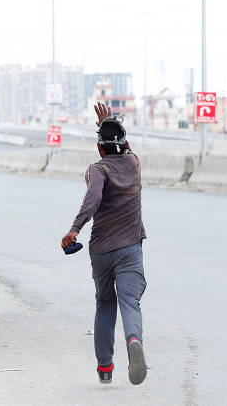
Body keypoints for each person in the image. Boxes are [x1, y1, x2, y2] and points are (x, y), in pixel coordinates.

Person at [60, 102, 148, 386]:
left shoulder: (97, 169)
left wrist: (74, 230)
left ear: (99, 148)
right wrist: (107, 123)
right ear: (123, 144)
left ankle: (105, 367)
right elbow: (125, 146)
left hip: (101, 252)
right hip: (131, 249)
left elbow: (92, 199)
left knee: (105, 304)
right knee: (130, 302)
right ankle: (133, 340)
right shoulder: (133, 163)